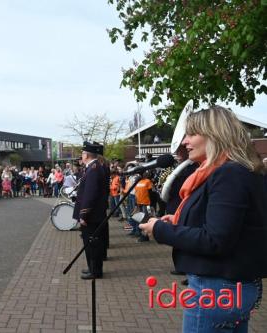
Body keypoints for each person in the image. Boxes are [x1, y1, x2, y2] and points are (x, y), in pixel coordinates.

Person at [139, 106, 267, 333]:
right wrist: (178, 221)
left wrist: (160, 229)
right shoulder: (234, 172)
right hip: (228, 285)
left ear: (214, 135)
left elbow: (216, 240)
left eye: (191, 134)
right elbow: (227, 224)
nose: (184, 142)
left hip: (217, 287)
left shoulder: (228, 174)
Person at [72, 141, 108, 280]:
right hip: (94, 214)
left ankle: (95, 271)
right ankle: (92, 268)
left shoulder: (93, 169)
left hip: (92, 215)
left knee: (92, 243)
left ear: (86, 154)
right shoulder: (93, 167)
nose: (82, 155)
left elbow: (90, 194)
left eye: (82, 153)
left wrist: (83, 214)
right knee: (91, 243)